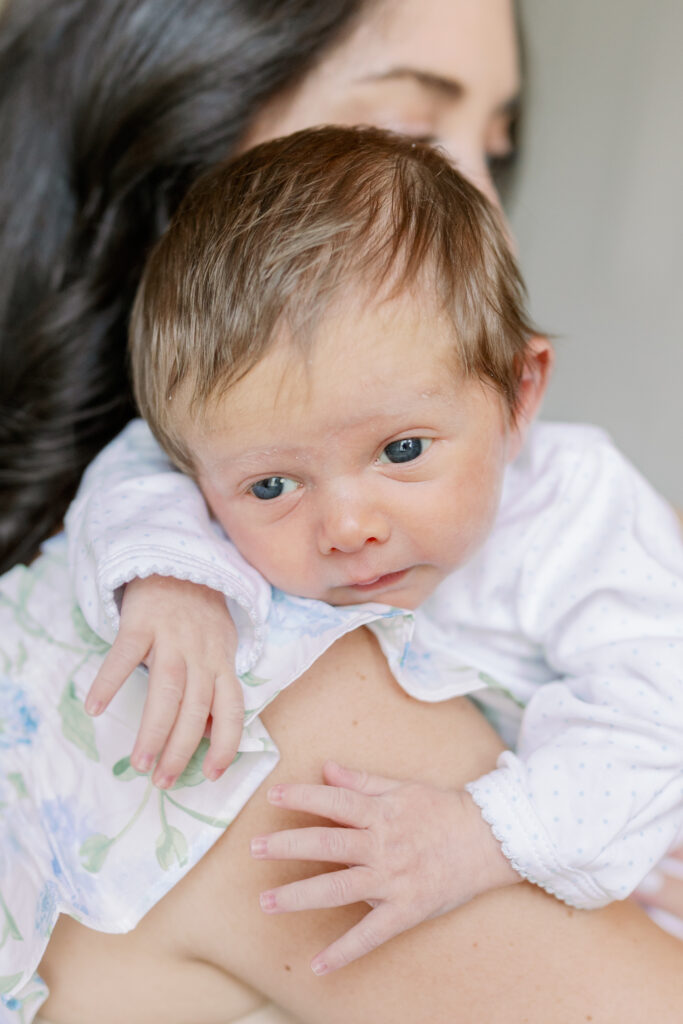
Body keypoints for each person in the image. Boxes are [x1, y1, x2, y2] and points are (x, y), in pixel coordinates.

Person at [0, 2, 681, 1023]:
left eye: (492, 148)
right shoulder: (264, 683)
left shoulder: (570, 508)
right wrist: (173, 579)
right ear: (174, 151)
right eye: (408, 133)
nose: (485, 211)